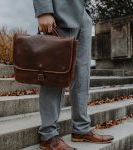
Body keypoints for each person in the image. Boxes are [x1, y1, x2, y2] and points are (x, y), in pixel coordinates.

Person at [33, 0, 114, 149]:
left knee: (82, 75)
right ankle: (48, 135)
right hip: (59, 11)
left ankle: (81, 129)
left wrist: (87, 13)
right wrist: (44, 9)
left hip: (82, 14)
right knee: (54, 74)